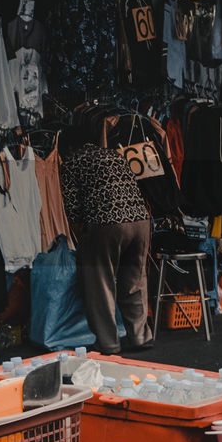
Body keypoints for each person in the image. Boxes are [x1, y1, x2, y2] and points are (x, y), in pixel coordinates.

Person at [58, 129, 154, 354]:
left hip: (106, 222)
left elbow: (73, 206)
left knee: (100, 282)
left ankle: (108, 342)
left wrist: (83, 235)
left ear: (69, 148)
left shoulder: (73, 161)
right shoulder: (114, 155)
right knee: (135, 280)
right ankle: (141, 336)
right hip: (140, 220)